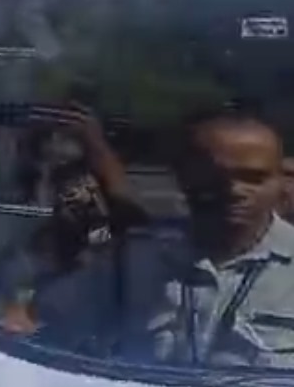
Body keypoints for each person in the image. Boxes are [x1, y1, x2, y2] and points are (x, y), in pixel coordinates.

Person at [16, 110, 294, 368]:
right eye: (214, 176)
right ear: (184, 177)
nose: (234, 190)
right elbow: (29, 321)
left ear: (281, 183)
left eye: (254, 178)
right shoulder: (131, 260)